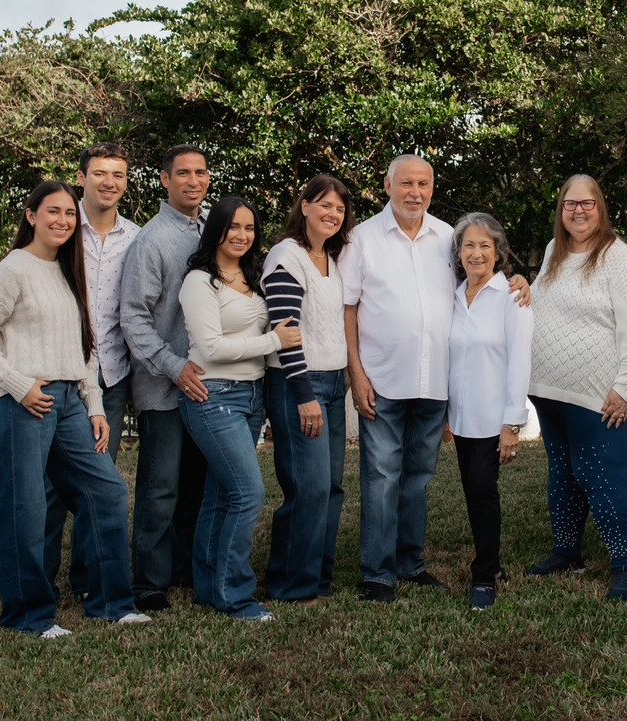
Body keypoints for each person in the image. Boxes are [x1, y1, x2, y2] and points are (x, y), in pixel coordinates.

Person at [0, 180, 149, 637]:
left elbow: (83, 346)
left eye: (69, 213)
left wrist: (95, 406)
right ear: (31, 215)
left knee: (106, 491)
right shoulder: (12, 270)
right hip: (22, 403)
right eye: (53, 212)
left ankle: (110, 603)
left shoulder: (68, 269)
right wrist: (19, 385)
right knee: (24, 506)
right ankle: (27, 615)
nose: (63, 221)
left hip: (69, 402)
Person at [341, 154, 530, 604]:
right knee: (382, 476)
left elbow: (482, 276)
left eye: (423, 184)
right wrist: (356, 373)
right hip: (382, 381)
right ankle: (378, 573)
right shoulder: (362, 238)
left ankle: (409, 563)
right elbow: (348, 308)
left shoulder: (448, 237)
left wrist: (518, 277)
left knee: (419, 477)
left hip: (434, 385)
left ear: (432, 187)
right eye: (406, 183)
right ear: (388, 185)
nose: (415, 192)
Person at [525, 174, 627, 602]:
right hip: (549, 391)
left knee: (604, 477)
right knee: (562, 472)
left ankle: (625, 567)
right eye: (570, 204)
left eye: (587, 204)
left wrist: (625, 389)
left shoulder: (615, 256)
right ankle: (567, 553)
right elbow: (544, 303)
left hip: (598, 395)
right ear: (561, 210)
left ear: (600, 208)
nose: (578, 211)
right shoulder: (554, 252)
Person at [178, 196, 302, 621]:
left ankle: (211, 588)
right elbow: (210, 348)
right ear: (217, 229)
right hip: (213, 395)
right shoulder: (199, 281)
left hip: (251, 397)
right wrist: (273, 342)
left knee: (220, 496)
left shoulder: (253, 275)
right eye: (233, 227)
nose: (242, 235)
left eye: (249, 228)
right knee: (249, 493)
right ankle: (237, 596)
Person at [45, 142, 141, 601]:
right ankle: (41, 578)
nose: (109, 182)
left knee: (98, 481)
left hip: (113, 374)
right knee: (49, 485)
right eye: (100, 173)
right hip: (61, 370)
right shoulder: (62, 231)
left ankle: (86, 581)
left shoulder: (136, 237)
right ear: (81, 177)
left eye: (118, 174)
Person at [121, 143, 212, 612]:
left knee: (198, 483)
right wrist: (175, 369)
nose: (193, 181)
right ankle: (150, 581)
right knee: (161, 487)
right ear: (164, 180)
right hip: (164, 385)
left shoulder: (213, 228)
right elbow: (134, 319)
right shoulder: (151, 240)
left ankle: (187, 568)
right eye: (183, 174)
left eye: (200, 172)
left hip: (209, 386)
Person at [261, 175, 354, 604]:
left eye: (339, 209)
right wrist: (304, 396)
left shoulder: (332, 258)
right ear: (304, 206)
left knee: (331, 486)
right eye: (324, 205)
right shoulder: (287, 256)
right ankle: (290, 585)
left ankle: (319, 578)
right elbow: (287, 332)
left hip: (333, 382)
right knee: (309, 486)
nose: (332, 214)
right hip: (300, 382)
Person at [446, 212, 534, 610]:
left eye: (485, 246)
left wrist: (512, 424)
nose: (477, 253)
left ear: (498, 253)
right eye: (469, 245)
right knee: (473, 490)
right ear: (458, 252)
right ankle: (492, 565)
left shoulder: (512, 297)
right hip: (460, 418)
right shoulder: (452, 294)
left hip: (492, 418)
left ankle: (485, 575)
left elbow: (520, 362)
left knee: (482, 490)